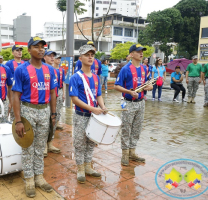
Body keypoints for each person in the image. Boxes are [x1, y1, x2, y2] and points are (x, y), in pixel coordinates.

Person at [12, 36, 57, 198]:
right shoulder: (21, 70)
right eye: (36, 47)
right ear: (29, 50)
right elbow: (15, 96)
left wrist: (53, 114)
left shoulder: (50, 70)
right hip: (28, 110)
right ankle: (29, 179)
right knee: (27, 147)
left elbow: (52, 92)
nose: (41, 49)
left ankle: (39, 176)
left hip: (44, 111)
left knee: (40, 147)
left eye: (42, 47)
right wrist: (18, 120)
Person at [69, 44, 107, 183]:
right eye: (87, 55)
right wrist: (92, 109)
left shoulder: (96, 77)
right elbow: (74, 99)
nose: (90, 57)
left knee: (91, 142)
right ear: (81, 58)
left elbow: (99, 95)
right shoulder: (76, 77)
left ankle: (88, 166)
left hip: (94, 116)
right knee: (80, 143)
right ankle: (80, 169)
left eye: (92, 55)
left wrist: (103, 106)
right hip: (81, 115)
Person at [114, 44, 153, 166]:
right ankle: (125, 153)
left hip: (141, 103)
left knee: (137, 128)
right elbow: (116, 86)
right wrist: (129, 92)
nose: (141, 53)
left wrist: (149, 87)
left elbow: (149, 83)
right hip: (128, 103)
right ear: (131, 54)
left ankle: (132, 151)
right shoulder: (126, 69)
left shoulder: (144, 68)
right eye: (138, 51)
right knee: (126, 128)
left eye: (142, 51)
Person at [43, 49, 61, 157]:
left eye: (53, 56)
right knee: (44, 123)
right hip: (44, 100)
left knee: (53, 121)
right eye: (49, 56)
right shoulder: (41, 68)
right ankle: (44, 145)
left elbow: (55, 88)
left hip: (55, 99)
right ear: (44, 57)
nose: (52, 58)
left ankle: (50, 142)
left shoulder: (56, 71)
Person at [5, 45, 25, 121]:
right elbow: (7, 82)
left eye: (20, 50)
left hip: (24, 93)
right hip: (13, 92)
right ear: (13, 53)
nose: (19, 52)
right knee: (14, 115)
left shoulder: (25, 63)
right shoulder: (9, 64)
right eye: (17, 50)